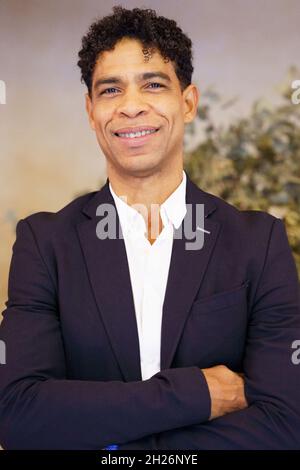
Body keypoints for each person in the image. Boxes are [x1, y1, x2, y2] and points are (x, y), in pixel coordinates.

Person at [0, 5, 299, 450]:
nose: (130, 106)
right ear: (90, 110)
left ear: (189, 101)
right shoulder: (45, 245)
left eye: (153, 84)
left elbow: (285, 424)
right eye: (110, 90)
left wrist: (114, 447)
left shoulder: (258, 242)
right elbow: (18, 414)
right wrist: (194, 394)